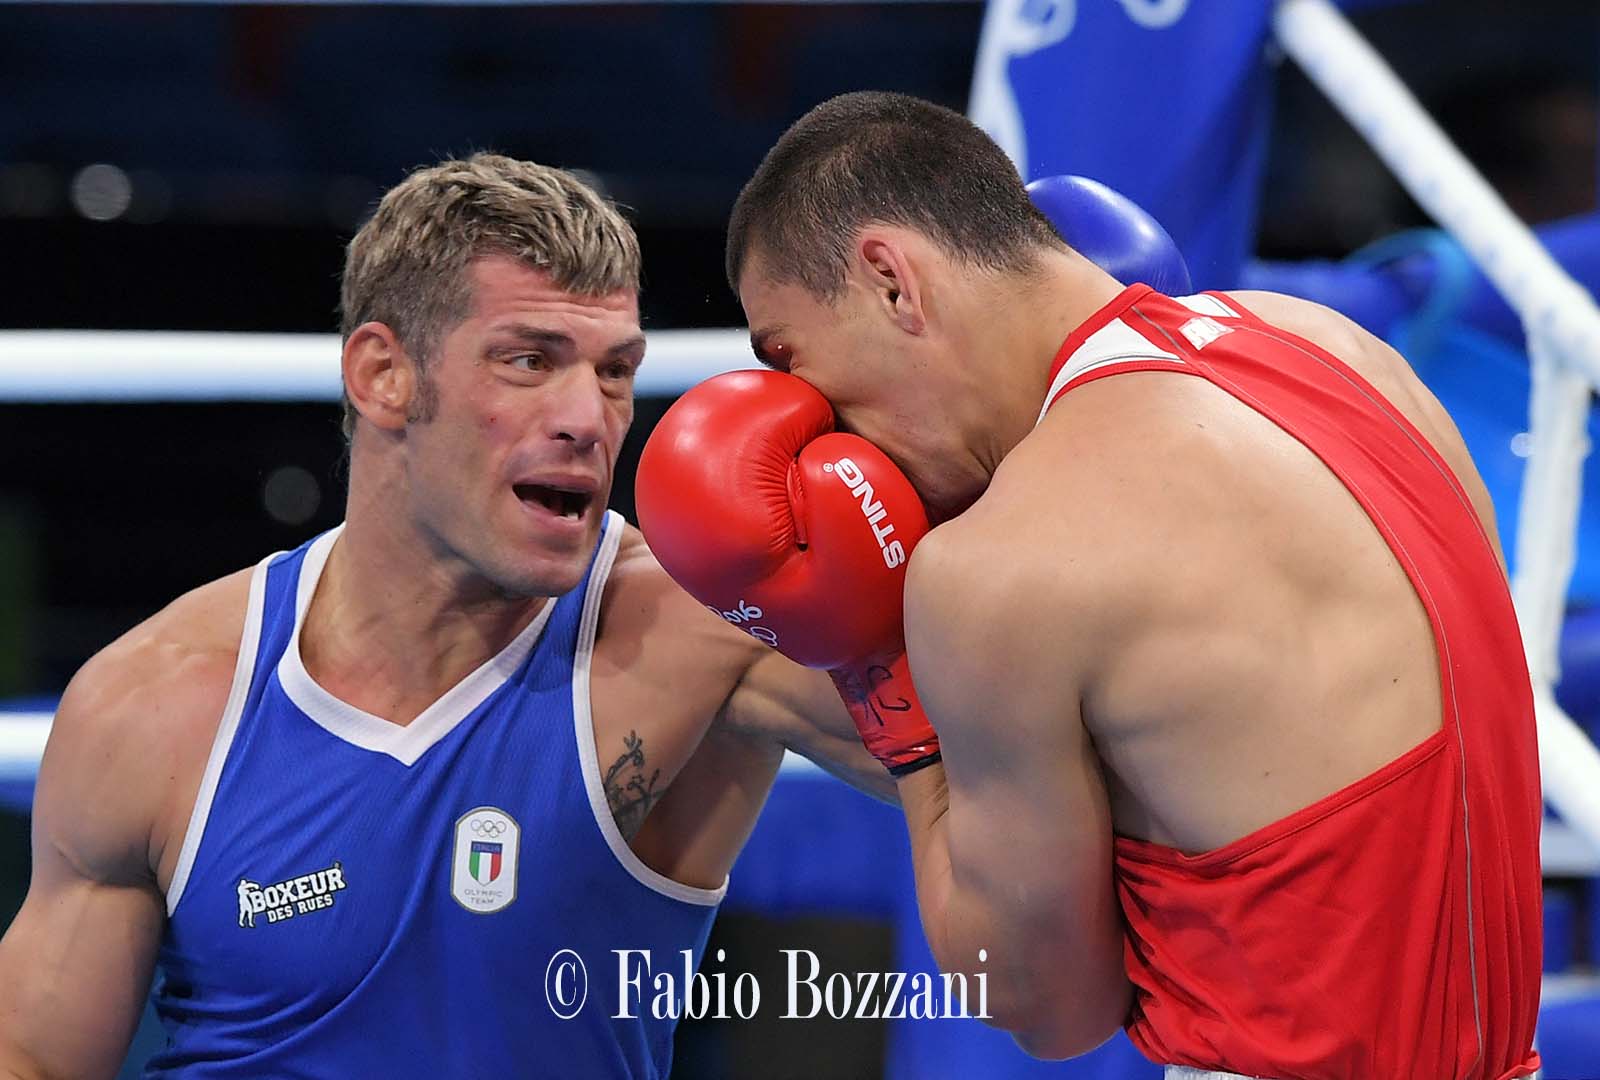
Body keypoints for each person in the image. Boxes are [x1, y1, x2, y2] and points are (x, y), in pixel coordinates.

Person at [637, 92, 1543, 1079]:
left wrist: (885, 680)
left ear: (892, 281)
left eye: (792, 361)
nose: (819, 423)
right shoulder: (1340, 350)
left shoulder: (1004, 567)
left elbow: (1034, 1004)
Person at [0, 153, 889, 1078]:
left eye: (616, 370)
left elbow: (1011, 761)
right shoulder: (160, 701)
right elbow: (33, 1057)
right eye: (530, 360)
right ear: (384, 375)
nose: (589, 416)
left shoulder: (699, 625)